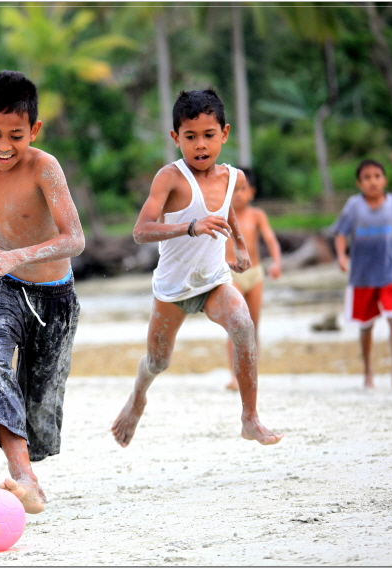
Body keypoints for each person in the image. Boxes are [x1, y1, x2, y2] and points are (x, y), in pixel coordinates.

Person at [111, 88, 283, 448]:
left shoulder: (233, 178)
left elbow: (226, 211)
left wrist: (236, 242)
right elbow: (141, 231)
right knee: (158, 362)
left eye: (208, 135)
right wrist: (190, 226)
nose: (200, 145)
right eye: (190, 137)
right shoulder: (169, 178)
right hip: (173, 290)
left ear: (225, 134)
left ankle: (249, 418)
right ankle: (137, 399)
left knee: (242, 325)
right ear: (176, 138)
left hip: (214, 282)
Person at [0, 70, 85, 514]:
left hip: (55, 298)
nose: (4, 146)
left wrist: (18, 254)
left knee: (40, 418)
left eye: (17, 135)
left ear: (34, 130)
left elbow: (75, 239)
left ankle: (28, 465)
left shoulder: (45, 168)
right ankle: (25, 480)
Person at [332, 159, 392, 389]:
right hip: (363, 277)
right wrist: (342, 256)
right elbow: (340, 234)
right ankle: (368, 373)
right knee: (365, 326)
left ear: (384, 180)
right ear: (359, 183)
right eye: (366, 177)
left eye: (376, 176)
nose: (372, 181)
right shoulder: (353, 206)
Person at [223, 169, 282, 391]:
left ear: (253, 192)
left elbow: (270, 239)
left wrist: (276, 262)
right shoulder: (222, 214)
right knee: (236, 324)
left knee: (253, 327)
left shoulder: (257, 215)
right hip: (231, 274)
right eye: (234, 189)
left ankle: (251, 371)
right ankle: (233, 374)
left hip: (255, 274)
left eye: (243, 189)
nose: (239, 194)